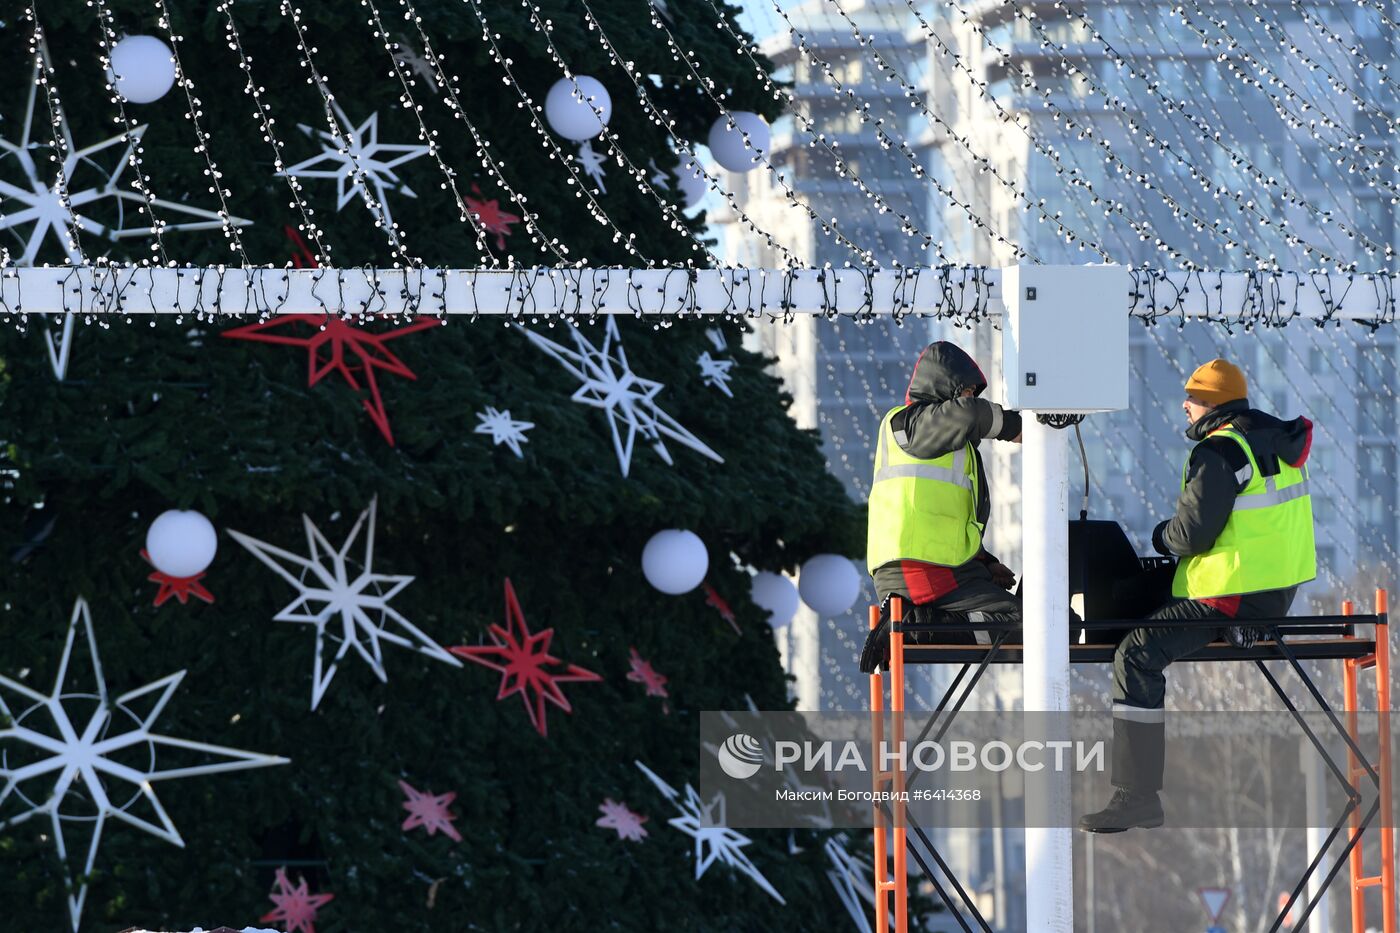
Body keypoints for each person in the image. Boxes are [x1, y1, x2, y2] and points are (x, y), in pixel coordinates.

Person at [1078, 358, 1316, 832]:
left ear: (1213, 404)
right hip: (1270, 593)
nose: (1184, 405)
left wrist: (1162, 536)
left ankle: (1137, 796)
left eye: (1193, 397)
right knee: (1139, 596)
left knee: (1136, 655)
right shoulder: (1274, 444)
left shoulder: (1219, 451)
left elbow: (1191, 536)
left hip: (1230, 594)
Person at [859, 341, 1023, 674]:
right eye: (964, 391)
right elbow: (970, 413)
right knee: (1029, 627)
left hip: (930, 568)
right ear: (942, 388)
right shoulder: (909, 425)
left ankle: (918, 621)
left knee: (1038, 623)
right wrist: (1022, 429)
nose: (969, 398)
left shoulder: (941, 441)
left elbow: (934, 517)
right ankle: (920, 625)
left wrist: (984, 563)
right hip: (918, 573)